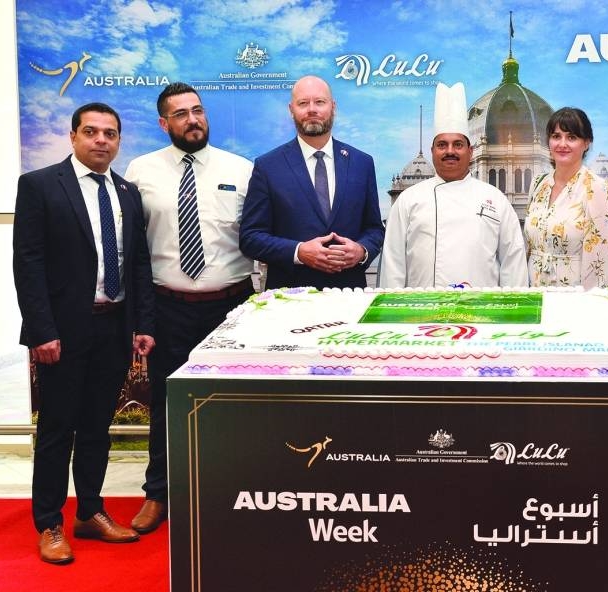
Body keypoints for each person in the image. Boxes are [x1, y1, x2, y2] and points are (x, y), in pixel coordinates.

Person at [12, 103, 156, 564]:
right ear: (73, 136)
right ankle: (49, 523)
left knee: (96, 428)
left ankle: (90, 511)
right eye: (91, 132)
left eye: (110, 133)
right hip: (62, 332)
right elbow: (28, 263)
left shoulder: (127, 192)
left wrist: (142, 324)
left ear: (119, 141)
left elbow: (138, 263)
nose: (101, 140)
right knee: (57, 429)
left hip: (113, 327)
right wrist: (41, 331)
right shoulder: (40, 186)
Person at [123, 82, 255, 534]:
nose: (193, 120)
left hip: (232, 308)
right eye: (180, 114)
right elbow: (133, 249)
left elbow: (258, 236)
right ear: (164, 123)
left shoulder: (241, 169)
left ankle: (232, 490)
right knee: (166, 402)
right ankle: (158, 493)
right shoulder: (140, 171)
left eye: (197, 110)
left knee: (234, 405)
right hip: (167, 306)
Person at [239, 75, 384, 289]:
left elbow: (374, 229)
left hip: (349, 294)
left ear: (333, 107)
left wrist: (362, 251)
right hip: (288, 297)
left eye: (320, 102)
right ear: (291, 110)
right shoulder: (268, 166)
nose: (312, 109)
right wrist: (298, 252)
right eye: (303, 103)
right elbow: (250, 237)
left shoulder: (361, 163)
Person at [378, 82, 528, 288]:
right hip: (421, 306)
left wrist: (512, 307)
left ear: (470, 151)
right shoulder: (407, 200)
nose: (450, 151)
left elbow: (513, 265)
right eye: (442, 145)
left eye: (458, 144)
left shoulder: (496, 200)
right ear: (432, 151)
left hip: (482, 307)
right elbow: (393, 265)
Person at [524, 107, 608, 288]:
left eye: (571, 137)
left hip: (573, 296)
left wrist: (589, 300)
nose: (562, 144)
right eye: (556, 136)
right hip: (533, 293)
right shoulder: (538, 183)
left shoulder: (597, 188)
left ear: (587, 143)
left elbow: (599, 263)